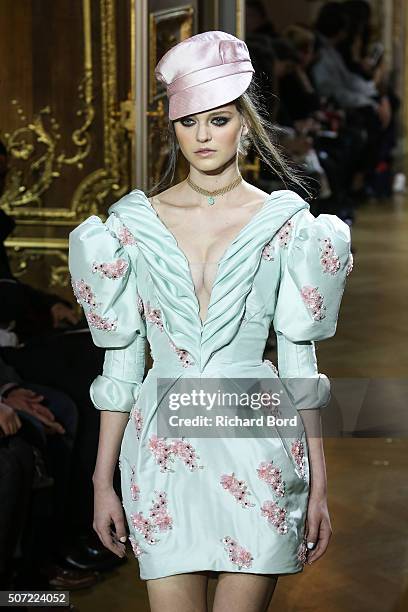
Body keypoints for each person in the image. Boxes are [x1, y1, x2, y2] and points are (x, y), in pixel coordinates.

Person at [69, 31, 353, 612]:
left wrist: (319, 485)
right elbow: (122, 363)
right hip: (161, 452)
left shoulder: (287, 225)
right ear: (172, 127)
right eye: (188, 122)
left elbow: (300, 362)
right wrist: (102, 482)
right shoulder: (131, 226)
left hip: (257, 447)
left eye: (218, 120)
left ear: (245, 123)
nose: (202, 136)